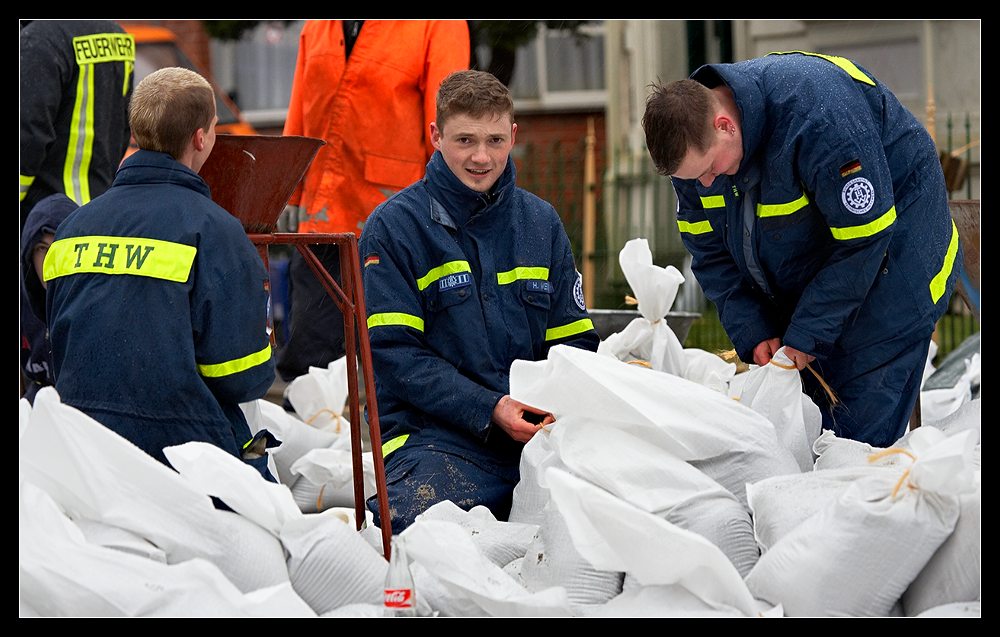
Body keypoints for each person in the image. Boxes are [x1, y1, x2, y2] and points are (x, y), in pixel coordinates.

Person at [641, 51, 961, 447]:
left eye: (709, 170)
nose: (705, 184)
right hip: (823, 271)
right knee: (804, 433)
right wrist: (755, 328)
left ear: (724, 125)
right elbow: (709, 254)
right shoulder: (695, 149)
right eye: (692, 178)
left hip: (897, 260)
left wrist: (807, 334)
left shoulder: (818, 115)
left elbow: (864, 238)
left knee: (852, 440)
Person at [359, 69, 600, 532]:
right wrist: (490, 408)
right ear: (435, 136)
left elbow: (575, 345)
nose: (481, 156)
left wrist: (553, 415)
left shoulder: (540, 223)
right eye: (465, 140)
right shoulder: (393, 228)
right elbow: (393, 355)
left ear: (513, 135)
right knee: (423, 531)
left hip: (537, 438)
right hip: (432, 443)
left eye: (494, 139)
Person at [43, 67, 277, 480]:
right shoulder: (216, 231)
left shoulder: (72, 228)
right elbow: (243, 377)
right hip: (182, 452)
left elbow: (60, 348)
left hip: (82, 451)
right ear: (201, 138)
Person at [275, 20, 470, 389]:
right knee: (311, 356)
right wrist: (291, 190)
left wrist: (452, 205)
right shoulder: (319, 26)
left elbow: (449, 121)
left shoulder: (436, 25)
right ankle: (315, 433)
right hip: (323, 219)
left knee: (399, 348)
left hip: (398, 223)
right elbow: (300, 109)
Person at [20, 20, 134, 228]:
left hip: (48, 220)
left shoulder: (38, 40)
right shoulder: (117, 35)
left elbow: (27, 137)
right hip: (100, 210)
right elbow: (124, 126)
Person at [20, 194, 78, 404]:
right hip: (37, 402)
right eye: (42, 249)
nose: (50, 260)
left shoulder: (94, 298)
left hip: (84, 411)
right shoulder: (22, 298)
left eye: (59, 248)